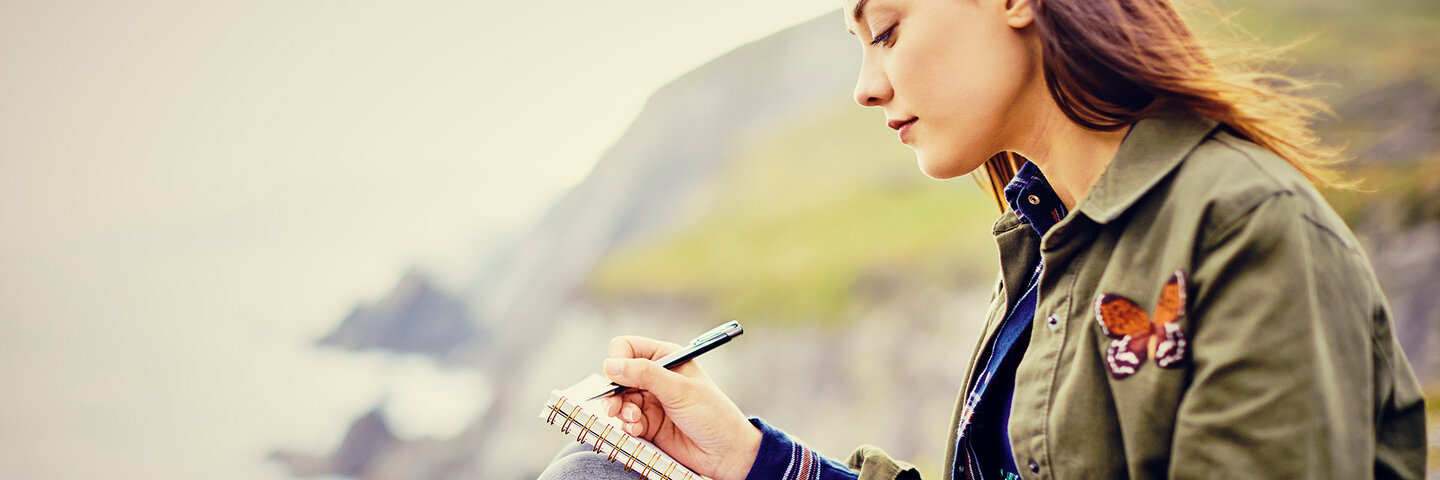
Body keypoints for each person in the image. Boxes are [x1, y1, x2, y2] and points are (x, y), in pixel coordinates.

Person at [538, 0, 1429, 478]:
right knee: (596, 477)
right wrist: (752, 462)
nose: (866, 86)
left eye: (886, 30)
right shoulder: (1050, 250)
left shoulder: (1240, 229)